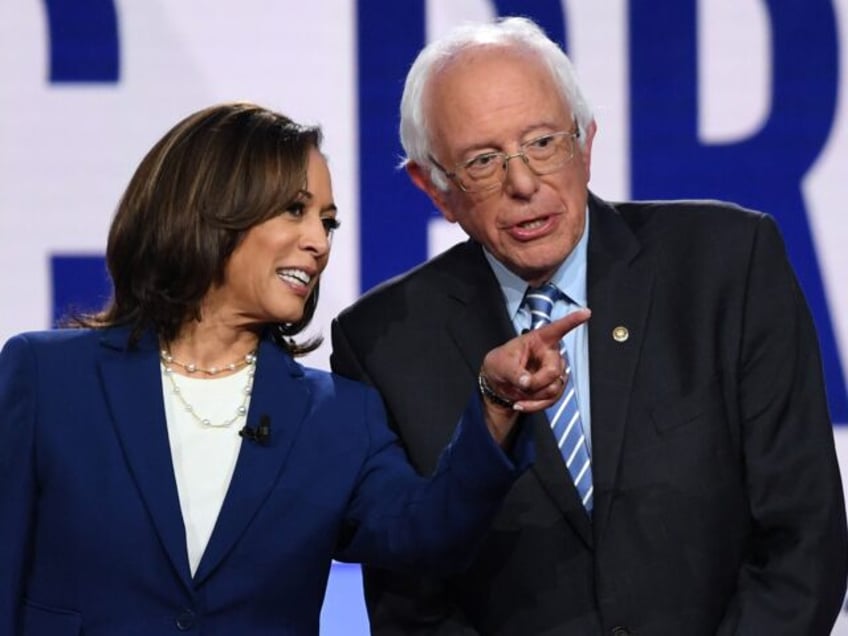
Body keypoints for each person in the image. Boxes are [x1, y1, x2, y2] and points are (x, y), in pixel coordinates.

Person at [330, 16, 848, 636]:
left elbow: (804, 538)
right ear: (434, 187)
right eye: (484, 161)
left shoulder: (727, 264)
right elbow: (412, 603)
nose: (523, 184)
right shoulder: (385, 342)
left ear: (586, 142)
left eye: (543, 143)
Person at [0, 102, 591, 635]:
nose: (319, 243)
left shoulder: (337, 417)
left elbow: (425, 533)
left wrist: (491, 402)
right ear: (211, 211)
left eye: (328, 222)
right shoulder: (48, 379)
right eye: (294, 211)